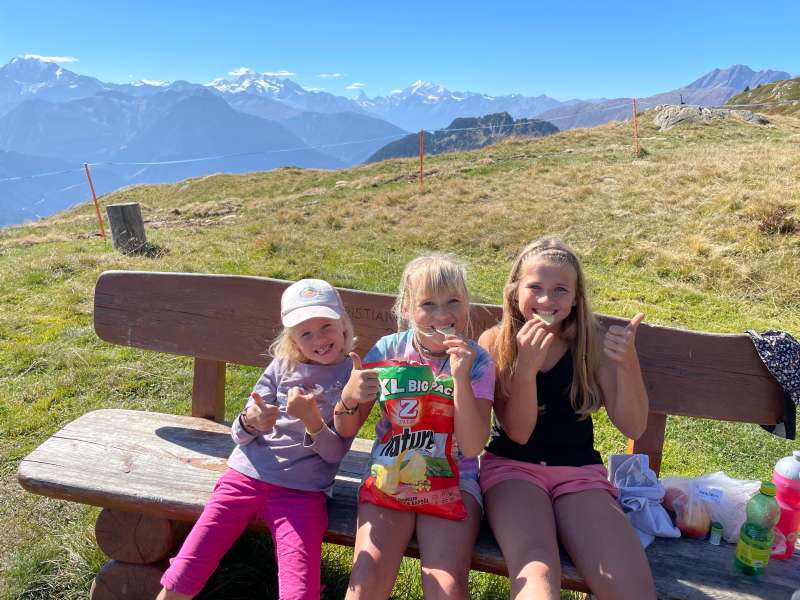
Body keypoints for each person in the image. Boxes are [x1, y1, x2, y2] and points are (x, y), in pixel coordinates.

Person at [478, 238, 657, 600]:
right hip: (513, 469)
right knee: (537, 572)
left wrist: (627, 363)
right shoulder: (497, 341)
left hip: (580, 475)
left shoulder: (591, 343)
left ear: (576, 297)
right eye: (535, 288)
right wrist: (525, 371)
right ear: (515, 292)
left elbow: (633, 426)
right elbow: (519, 433)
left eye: (560, 289)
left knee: (631, 586)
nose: (546, 300)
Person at [156, 278, 356, 600]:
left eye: (326, 326)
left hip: (302, 493)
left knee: (300, 591)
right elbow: (239, 433)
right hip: (245, 477)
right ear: (292, 338)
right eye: (305, 332)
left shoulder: (351, 378)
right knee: (187, 567)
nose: (319, 338)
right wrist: (253, 421)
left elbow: (334, 453)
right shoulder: (281, 366)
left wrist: (311, 419)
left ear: (342, 324)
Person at [335, 254, 495, 600]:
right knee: (366, 579)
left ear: (467, 304)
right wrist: (349, 395)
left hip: (455, 479)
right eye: (428, 304)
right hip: (389, 475)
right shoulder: (389, 350)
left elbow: (471, 447)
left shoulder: (478, 361)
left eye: (453, 301)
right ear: (406, 308)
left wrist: (461, 380)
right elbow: (346, 427)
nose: (442, 315)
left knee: (447, 587)